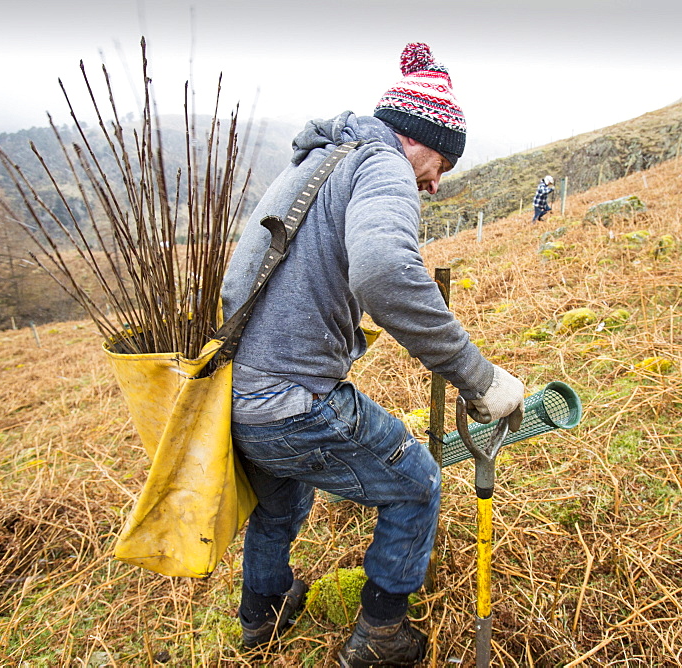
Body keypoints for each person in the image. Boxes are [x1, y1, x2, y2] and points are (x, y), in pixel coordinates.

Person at [220, 42, 525, 667]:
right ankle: (381, 634)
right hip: (293, 398)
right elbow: (385, 273)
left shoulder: (315, 163)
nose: (436, 183)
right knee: (416, 484)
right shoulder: (383, 166)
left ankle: (264, 614)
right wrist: (477, 377)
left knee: (280, 500)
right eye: (441, 162)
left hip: (235, 391)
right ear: (416, 137)